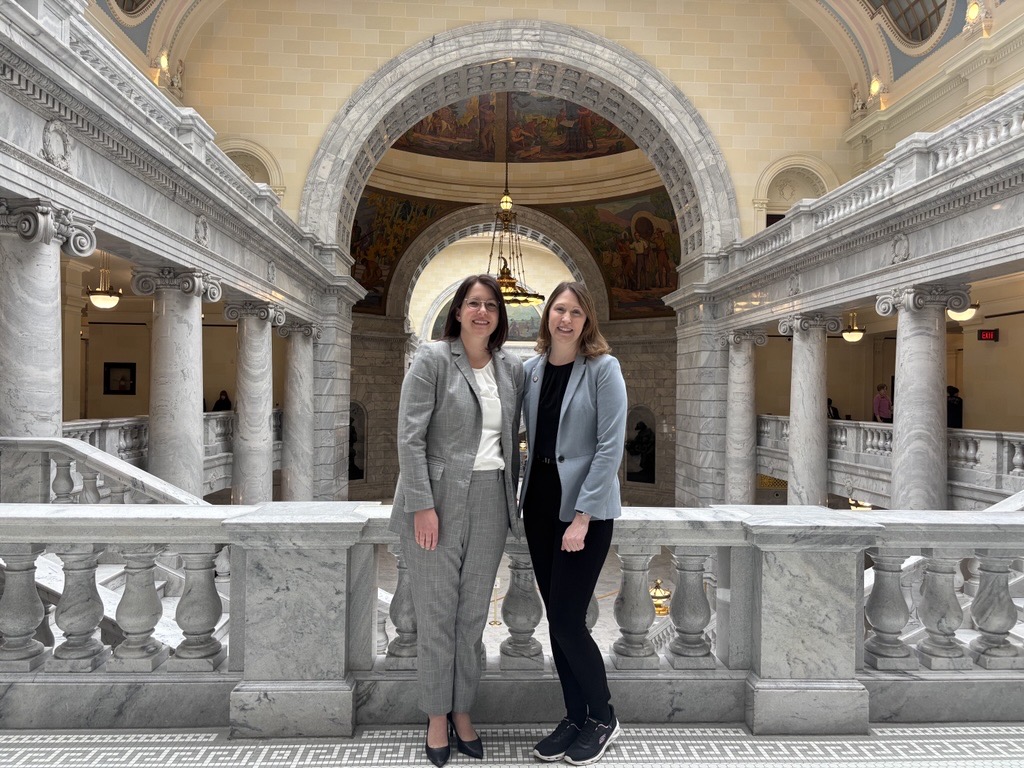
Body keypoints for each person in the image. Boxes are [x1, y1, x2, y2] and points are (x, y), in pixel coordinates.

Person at [388, 274, 524, 767]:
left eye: (490, 304)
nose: (481, 312)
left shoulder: (511, 368)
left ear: (499, 316)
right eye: (473, 303)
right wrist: (422, 505)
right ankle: (436, 718)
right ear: (458, 310)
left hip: (491, 497)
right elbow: (410, 438)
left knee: (471, 618)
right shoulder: (431, 360)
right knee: (437, 616)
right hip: (438, 500)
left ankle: (463, 710)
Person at [520, 281, 627, 765]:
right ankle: (574, 715)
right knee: (557, 622)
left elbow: (609, 448)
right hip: (539, 508)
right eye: (559, 310)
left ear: (588, 322)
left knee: (567, 619)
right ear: (548, 317)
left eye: (576, 313)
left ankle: (603, 717)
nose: (565, 319)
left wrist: (582, 516)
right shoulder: (531, 370)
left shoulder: (604, 369)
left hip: (583, 513)